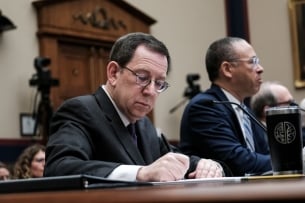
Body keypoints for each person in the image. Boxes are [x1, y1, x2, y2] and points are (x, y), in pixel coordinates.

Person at [44, 32, 227, 182]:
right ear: (114, 73)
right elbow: (60, 168)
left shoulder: (144, 125)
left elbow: (173, 160)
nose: (151, 91)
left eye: (159, 83)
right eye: (142, 77)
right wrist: (140, 173)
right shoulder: (80, 111)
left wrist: (206, 165)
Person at [179, 36, 272, 176]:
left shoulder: (245, 110)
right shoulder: (205, 106)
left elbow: (265, 153)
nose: (260, 69)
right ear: (227, 69)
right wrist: (294, 160)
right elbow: (239, 162)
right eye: (253, 62)